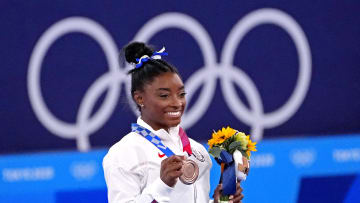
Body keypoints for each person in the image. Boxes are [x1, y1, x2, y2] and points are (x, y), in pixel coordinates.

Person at [103, 42, 244, 203]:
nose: (177, 103)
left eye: (181, 94)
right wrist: (163, 184)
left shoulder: (198, 152)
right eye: (164, 96)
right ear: (139, 98)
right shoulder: (123, 154)